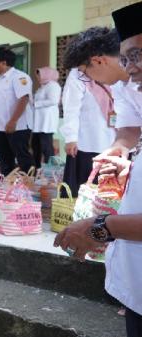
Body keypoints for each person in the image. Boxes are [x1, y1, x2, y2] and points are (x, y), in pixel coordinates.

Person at [55, 4, 142, 335]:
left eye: (135, 57)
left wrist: (98, 228)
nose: (130, 70)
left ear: (97, 62)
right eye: (128, 58)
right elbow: (128, 132)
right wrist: (118, 152)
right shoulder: (126, 87)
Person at [59, 27, 122, 196]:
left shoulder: (122, 76)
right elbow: (71, 108)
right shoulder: (78, 75)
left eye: (85, 70)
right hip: (88, 141)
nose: (83, 73)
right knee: (86, 186)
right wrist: (71, 137)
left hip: (115, 141)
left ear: (98, 60)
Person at [0, 48, 35, 175]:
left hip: (18, 126)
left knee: (22, 156)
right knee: (4, 157)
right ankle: (9, 186)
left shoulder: (19, 77)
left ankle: (29, 186)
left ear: (3, 63)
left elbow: (24, 98)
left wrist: (13, 121)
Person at [32, 67, 61, 168]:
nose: (38, 77)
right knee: (36, 146)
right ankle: (36, 170)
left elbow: (53, 100)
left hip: (47, 121)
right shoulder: (42, 87)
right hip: (39, 122)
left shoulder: (53, 86)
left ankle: (50, 170)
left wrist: (36, 104)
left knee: (46, 147)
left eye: (40, 74)